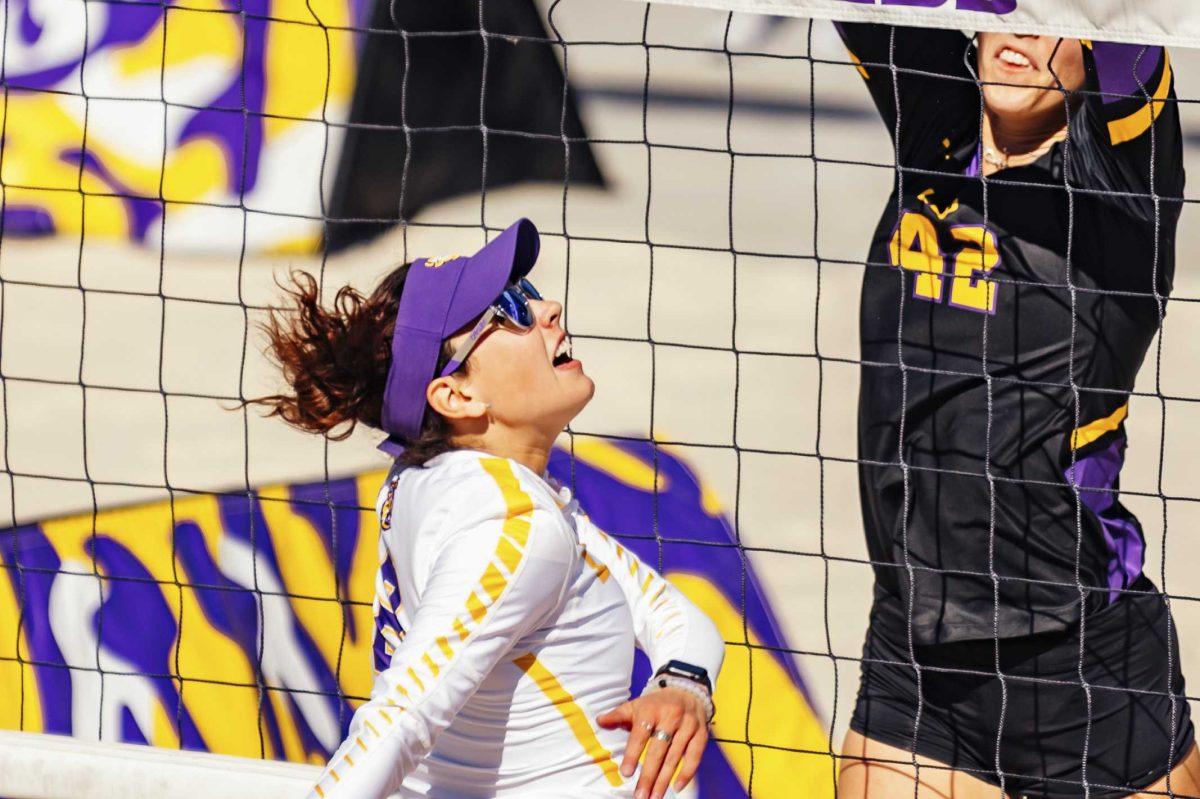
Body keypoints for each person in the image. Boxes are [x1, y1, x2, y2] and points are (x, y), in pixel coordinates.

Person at [834, 23, 1200, 799]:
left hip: (1083, 664)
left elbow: (1133, 23)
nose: (1024, 28)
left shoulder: (1123, 182)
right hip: (917, 647)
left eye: (1053, 11)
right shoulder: (936, 120)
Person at [250, 219, 724, 799]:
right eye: (510, 310)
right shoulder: (516, 525)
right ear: (456, 397)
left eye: (527, 292)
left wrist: (683, 683)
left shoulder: (429, 479)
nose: (548, 308)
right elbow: (398, 719)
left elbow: (673, 615)